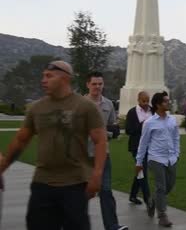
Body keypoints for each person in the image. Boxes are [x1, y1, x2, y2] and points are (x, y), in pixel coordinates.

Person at [0, 61, 107, 230]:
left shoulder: (86, 107)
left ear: (64, 78)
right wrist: (2, 167)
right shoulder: (37, 108)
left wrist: (97, 174)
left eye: (49, 76)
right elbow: (21, 140)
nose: (43, 80)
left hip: (75, 184)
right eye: (43, 76)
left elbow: (100, 140)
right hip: (42, 183)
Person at [85, 72, 128, 230]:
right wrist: (105, 132)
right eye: (94, 84)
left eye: (100, 84)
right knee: (80, 192)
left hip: (103, 155)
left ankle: (112, 226)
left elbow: (113, 128)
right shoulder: (80, 104)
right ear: (88, 85)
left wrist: (110, 132)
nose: (97, 87)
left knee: (106, 191)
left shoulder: (108, 104)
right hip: (83, 155)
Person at [136, 92, 180, 227]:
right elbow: (143, 143)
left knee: (169, 185)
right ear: (158, 104)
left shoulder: (172, 120)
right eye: (166, 101)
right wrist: (139, 162)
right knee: (161, 186)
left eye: (168, 101)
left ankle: (152, 201)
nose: (169, 103)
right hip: (155, 158)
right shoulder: (149, 123)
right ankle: (162, 215)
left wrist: (177, 154)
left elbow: (176, 138)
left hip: (171, 158)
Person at [125, 91, 152, 207]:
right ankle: (148, 199)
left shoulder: (152, 111)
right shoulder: (132, 112)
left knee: (140, 171)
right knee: (142, 171)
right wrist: (142, 125)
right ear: (138, 100)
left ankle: (133, 195)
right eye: (143, 101)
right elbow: (128, 130)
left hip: (150, 147)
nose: (146, 103)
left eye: (147, 100)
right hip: (136, 147)